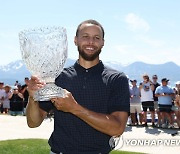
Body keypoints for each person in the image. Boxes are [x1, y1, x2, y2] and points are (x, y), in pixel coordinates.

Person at [26, 19, 130, 154]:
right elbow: (33, 123)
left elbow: (117, 128)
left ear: (103, 42)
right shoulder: (58, 77)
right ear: (75, 40)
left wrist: (74, 108)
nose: (91, 42)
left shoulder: (116, 79)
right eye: (85, 36)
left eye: (96, 38)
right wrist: (32, 97)